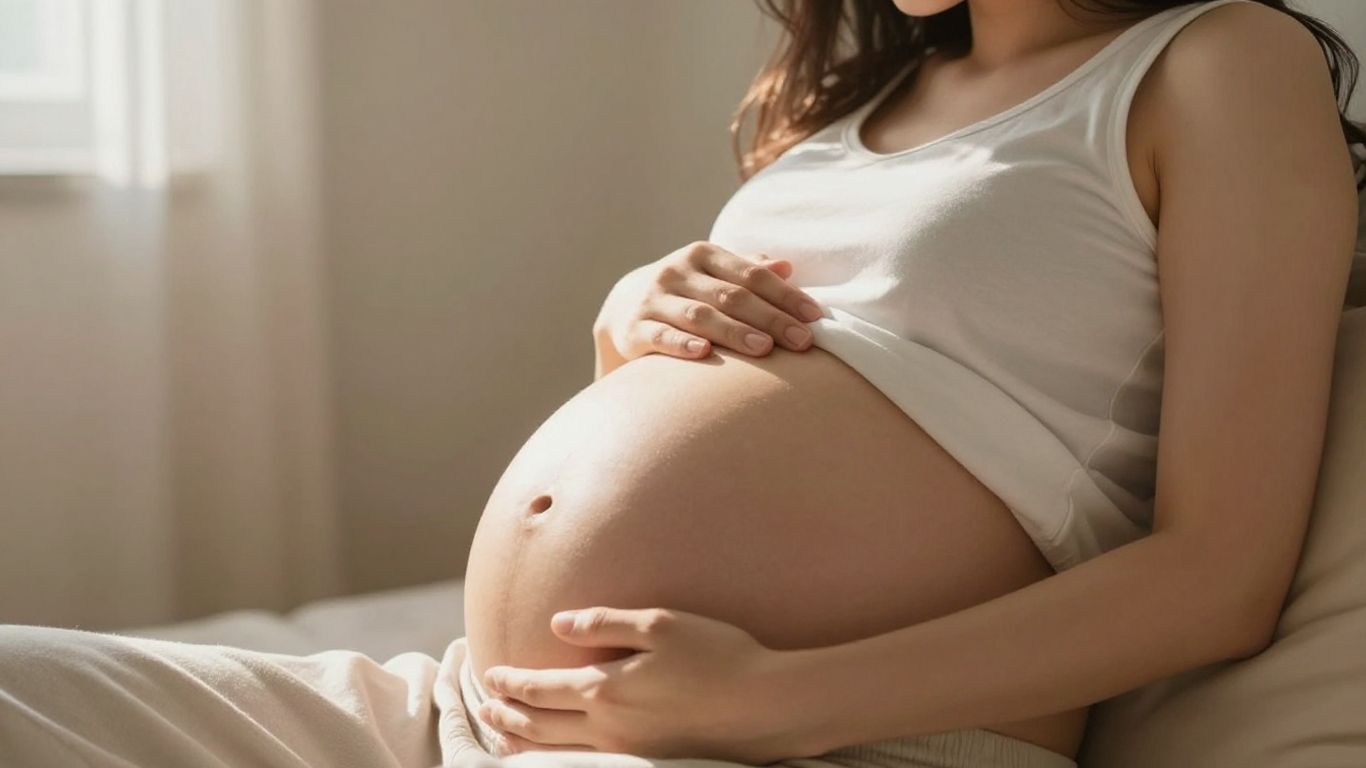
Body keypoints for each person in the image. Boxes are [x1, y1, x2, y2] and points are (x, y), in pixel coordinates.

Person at [0, 1, 1360, 767]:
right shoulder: (850, 107)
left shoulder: (1214, 60)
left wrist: (767, 697)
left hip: (815, 745)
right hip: (472, 714)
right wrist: (624, 335)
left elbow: (1217, 573)